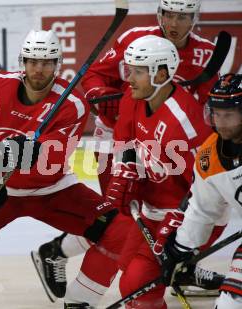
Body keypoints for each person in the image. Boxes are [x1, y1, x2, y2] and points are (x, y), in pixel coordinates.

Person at [32, 0, 225, 302]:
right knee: (121, 217)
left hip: (171, 144)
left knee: (152, 218)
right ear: (160, 14)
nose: (174, 22)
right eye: (169, 14)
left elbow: (207, 111)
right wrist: (101, 96)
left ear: (194, 18)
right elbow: (94, 76)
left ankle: (178, 265)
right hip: (123, 135)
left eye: (183, 16)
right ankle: (65, 261)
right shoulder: (136, 41)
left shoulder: (203, 56)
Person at [0, 29, 117, 298]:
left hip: (51, 191)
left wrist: (27, 150)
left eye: (46, 63)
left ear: (57, 65)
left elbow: (52, 159)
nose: (39, 69)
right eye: (33, 61)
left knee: (114, 226)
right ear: (23, 62)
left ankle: (80, 296)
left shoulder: (72, 105)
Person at [64, 35, 215, 308]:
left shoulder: (184, 125)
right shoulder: (133, 98)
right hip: (153, 211)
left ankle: (190, 270)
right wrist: (126, 169)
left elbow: (207, 189)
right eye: (129, 69)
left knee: (138, 286)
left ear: (161, 73)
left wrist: (180, 231)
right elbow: (125, 143)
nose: (129, 78)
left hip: (191, 215)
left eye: (138, 71)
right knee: (132, 281)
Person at [162, 73, 242, 308]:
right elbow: (203, 210)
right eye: (217, 114)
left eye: (229, 115)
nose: (221, 121)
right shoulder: (209, 157)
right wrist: (180, 250)